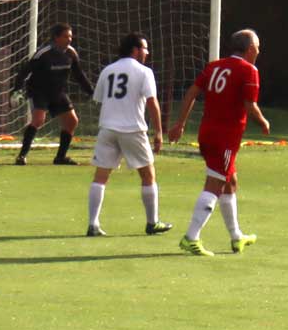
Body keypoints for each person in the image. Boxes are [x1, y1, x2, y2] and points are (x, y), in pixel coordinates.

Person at [167, 29, 271, 256]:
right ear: (250, 49)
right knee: (214, 184)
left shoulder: (214, 66)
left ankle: (236, 236)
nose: (259, 51)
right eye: (257, 47)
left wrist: (180, 123)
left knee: (230, 181)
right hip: (225, 137)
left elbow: (192, 92)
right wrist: (263, 122)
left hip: (206, 133)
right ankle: (191, 237)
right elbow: (250, 105)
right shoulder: (249, 70)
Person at [85, 32, 172, 237]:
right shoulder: (144, 72)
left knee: (100, 176)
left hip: (107, 128)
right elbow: (152, 102)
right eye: (144, 48)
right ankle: (152, 222)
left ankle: (92, 224)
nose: (147, 52)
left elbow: (100, 98)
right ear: (135, 50)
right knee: (148, 174)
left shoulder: (108, 70)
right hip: (132, 129)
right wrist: (159, 132)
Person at [12, 22, 95, 165]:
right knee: (38, 120)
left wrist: (92, 92)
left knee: (72, 121)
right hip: (39, 91)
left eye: (70, 36)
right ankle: (21, 156)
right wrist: (17, 90)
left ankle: (60, 157)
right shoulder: (43, 53)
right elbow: (24, 71)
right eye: (66, 36)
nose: (69, 39)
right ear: (56, 37)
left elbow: (79, 75)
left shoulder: (71, 53)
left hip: (57, 92)